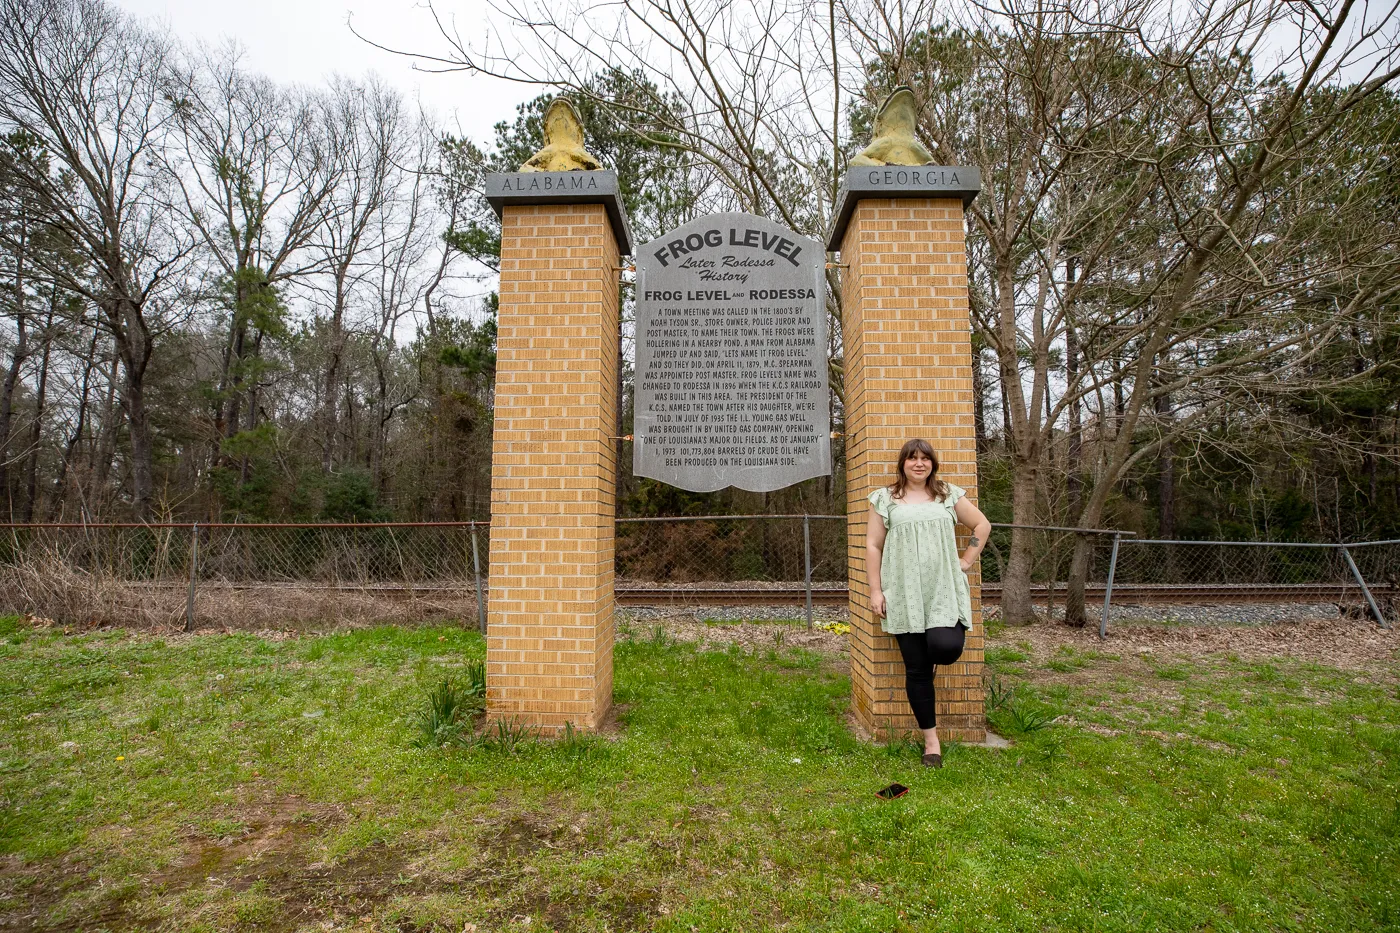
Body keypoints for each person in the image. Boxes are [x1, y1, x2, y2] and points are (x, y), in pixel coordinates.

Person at [866, 439, 991, 768]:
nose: (919, 464)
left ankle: (934, 656)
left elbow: (982, 525)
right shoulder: (885, 499)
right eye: (912, 458)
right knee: (916, 670)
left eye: (925, 459)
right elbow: (873, 546)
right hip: (904, 592)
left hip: (941, 590)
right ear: (903, 463)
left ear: (933, 464)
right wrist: (876, 591)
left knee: (946, 646)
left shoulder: (948, 494)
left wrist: (965, 561)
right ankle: (931, 743)